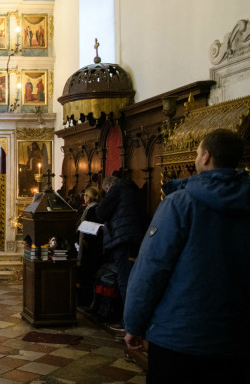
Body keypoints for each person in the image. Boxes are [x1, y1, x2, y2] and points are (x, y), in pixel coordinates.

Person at [124, 129, 250, 383]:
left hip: (180, 336)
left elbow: (151, 268)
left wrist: (134, 325)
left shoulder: (179, 203)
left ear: (206, 157)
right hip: (238, 338)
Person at [96, 174, 146, 328]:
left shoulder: (116, 190)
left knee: (125, 281)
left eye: (106, 190)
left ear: (109, 186)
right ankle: (129, 320)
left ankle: (128, 323)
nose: (106, 192)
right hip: (134, 239)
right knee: (130, 280)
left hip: (122, 240)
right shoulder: (131, 191)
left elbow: (100, 212)